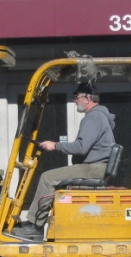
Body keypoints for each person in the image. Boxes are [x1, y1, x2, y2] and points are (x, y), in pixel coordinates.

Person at [12, 82, 116, 238]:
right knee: (54, 178)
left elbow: (81, 147)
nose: (75, 100)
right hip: (96, 168)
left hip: (94, 169)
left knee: (47, 178)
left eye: (77, 97)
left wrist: (55, 145)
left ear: (87, 98)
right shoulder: (100, 116)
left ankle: (36, 226)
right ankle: (35, 221)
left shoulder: (93, 117)